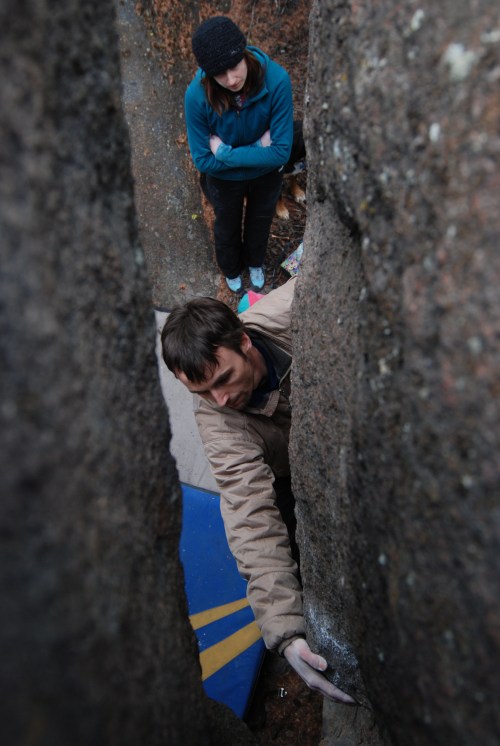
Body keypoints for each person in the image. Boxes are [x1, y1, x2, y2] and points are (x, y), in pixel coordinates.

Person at [160, 278, 355, 704]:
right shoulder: (219, 422)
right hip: (287, 472)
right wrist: (285, 629)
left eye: (224, 379)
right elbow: (249, 514)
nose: (220, 399)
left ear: (245, 341)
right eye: (202, 392)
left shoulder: (295, 309)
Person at [185, 16, 294, 295]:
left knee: (260, 220)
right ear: (208, 74)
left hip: (265, 176)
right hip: (224, 180)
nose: (231, 80)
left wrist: (224, 153)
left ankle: (255, 262)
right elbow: (203, 161)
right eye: (220, 74)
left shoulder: (277, 81)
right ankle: (231, 269)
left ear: (244, 53)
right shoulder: (196, 96)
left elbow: (282, 151)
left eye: (234, 66)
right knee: (227, 225)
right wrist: (260, 148)